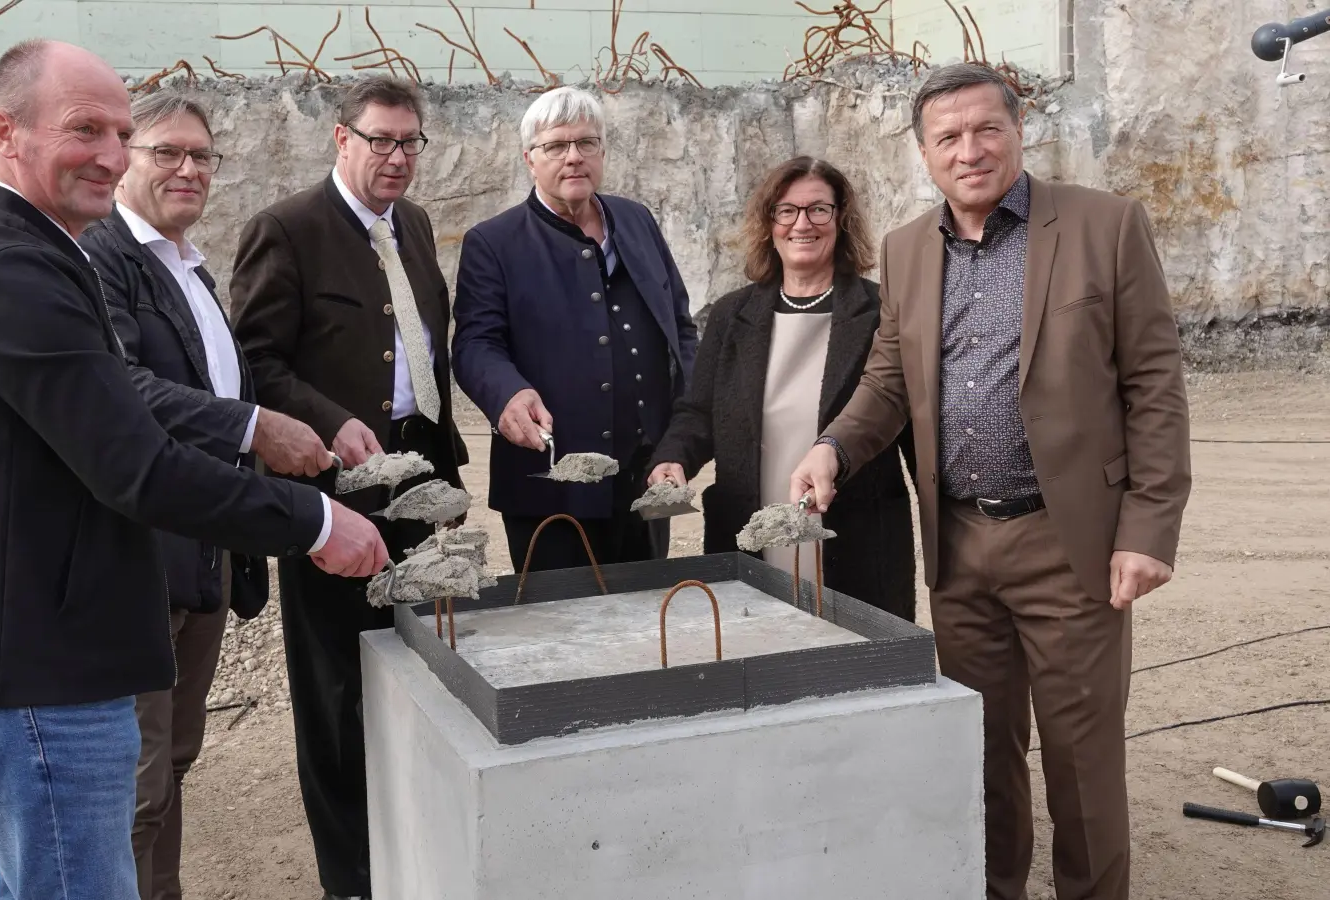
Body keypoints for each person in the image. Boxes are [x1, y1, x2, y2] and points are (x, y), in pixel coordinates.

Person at [0, 39, 387, 900]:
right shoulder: (9, 267)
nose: (112, 155)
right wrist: (312, 521)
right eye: (86, 130)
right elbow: (137, 465)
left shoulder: (40, 250)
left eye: (122, 132)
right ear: (5, 131)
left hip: (44, 657)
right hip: (29, 677)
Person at [788, 63, 1191, 900]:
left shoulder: (1104, 226)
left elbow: (1153, 384)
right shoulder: (904, 251)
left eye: (985, 130)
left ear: (1016, 131)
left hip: (1069, 543)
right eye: (947, 138)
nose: (968, 150)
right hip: (961, 546)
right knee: (978, 750)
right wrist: (832, 445)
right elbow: (888, 381)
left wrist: (1147, 529)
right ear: (924, 153)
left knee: (1081, 763)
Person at [80, 89, 336, 900]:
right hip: (138, 552)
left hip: (201, 549)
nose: (188, 169)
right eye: (166, 153)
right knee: (136, 777)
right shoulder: (101, 257)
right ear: (123, 159)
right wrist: (255, 427)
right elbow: (118, 388)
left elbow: (222, 379)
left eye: (201, 156)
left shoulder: (186, 263)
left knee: (173, 761)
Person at [230, 74, 468, 900]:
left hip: (415, 477)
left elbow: (422, 353)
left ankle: (409, 834)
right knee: (337, 680)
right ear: (341, 139)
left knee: (416, 660)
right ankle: (352, 874)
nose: (397, 158)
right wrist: (328, 422)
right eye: (380, 141)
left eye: (409, 143)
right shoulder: (286, 230)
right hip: (332, 484)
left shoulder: (414, 224)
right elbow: (253, 362)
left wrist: (445, 473)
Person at [647, 156, 915, 620]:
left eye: (818, 210)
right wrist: (673, 459)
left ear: (841, 219)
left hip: (856, 538)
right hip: (747, 530)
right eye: (786, 211)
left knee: (853, 675)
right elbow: (698, 412)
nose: (802, 224)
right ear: (769, 224)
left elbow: (908, 422)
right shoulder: (732, 315)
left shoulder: (881, 311)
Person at [452, 86, 697, 573]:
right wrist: (506, 395)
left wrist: (684, 433)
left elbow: (681, 329)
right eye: (556, 146)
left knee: (648, 625)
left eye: (587, 143)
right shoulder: (493, 242)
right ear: (529, 158)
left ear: (603, 151)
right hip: (549, 487)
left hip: (644, 480)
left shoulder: (637, 219)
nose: (573, 158)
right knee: (560, 631)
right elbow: (476, 344)